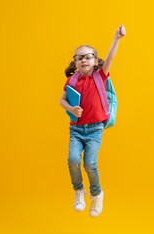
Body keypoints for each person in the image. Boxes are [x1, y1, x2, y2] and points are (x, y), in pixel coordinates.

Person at [60, 25, 126, 217]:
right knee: (72, 160)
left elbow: (111, 57)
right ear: (75, 63)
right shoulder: (72, 81)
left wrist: (117, 38)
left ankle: (96, 194)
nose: (83, 60)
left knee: (90, 163)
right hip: (76, 129)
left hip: (95, 129)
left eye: (88, 56)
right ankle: (79, 190)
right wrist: (71, 108)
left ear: (95, 61)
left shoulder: (100, 75)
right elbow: (62, 100)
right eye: (79, 57)